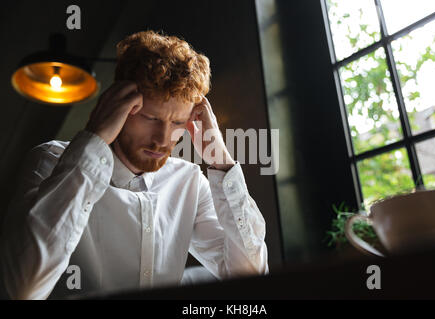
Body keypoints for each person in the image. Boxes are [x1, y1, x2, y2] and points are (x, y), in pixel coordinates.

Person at [0, 30, 269, 300]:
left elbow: (249, 278)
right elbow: (23, 288)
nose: (162, 140)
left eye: (177, 123)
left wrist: (221, 161)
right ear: (119, 102)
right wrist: (95, 136)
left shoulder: (189, 183)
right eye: (151, 118)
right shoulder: (49, 163)